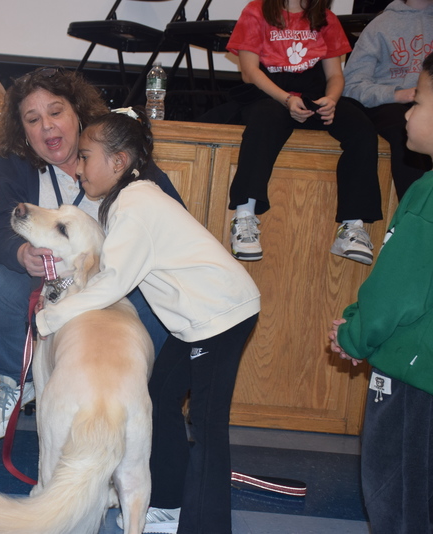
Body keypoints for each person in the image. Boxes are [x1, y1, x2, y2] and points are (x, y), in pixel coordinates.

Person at [36, 108, 261, 534]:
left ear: (118, 162)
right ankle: (168, 504)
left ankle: (205, 527)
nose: (79, 167)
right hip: (197, 322)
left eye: (86, 157)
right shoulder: (130, 199)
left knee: (208, 427)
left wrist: (55, 315)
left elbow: (114, 281)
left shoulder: (136, 204)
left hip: (222, 317)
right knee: (158, 396)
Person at [0, 66, 183, 440]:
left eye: (56, 112)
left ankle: (133, 397)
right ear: (23, 131)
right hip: (48, 284)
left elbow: (172, 223)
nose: (47, 126)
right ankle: (16, 382)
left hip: (115, 289)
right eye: (33, 119)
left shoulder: (121, 160)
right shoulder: (15, 166)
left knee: (159, 300)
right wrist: (21, 254)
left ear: (78, 113)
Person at [328, 52, 433, 534]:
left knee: (398, 494)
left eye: (421, 98)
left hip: (415, 381)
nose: (408, 111)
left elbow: (397, 290)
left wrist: (354, 335)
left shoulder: (429, 193)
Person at [225, 0, 383, 264]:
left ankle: (352, 227)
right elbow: (249, 72)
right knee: (264, 121)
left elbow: (335, 75)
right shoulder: (257, 10)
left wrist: (331, 100)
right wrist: (286, 99)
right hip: (270, 94)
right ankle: (244, 217)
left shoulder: (326, 18)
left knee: (361, 128)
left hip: (312, 95)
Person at [342, 0, 433, 201]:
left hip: (428, 104)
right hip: (388, 104)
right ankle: (413, 211)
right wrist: (396, 94)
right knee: (406, 128)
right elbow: (350, 85)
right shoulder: (381, 25)